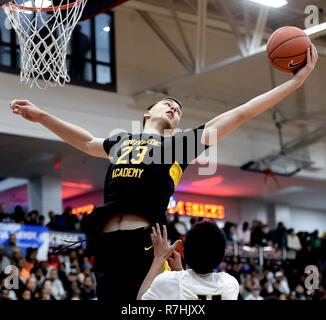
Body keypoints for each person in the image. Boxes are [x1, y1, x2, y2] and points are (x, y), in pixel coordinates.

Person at [9, 44, 318, 300]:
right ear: (147, 112)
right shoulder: (121, 141)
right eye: (168, 103)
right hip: (108, 246)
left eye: (179, 110)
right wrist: (41, 117)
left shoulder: (179, 147)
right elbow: (87, 140)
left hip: (146, 244)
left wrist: (294, 83)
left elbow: (239, 113)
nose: (174, 108)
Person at [137, 222, 239, 300]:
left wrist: (159, 258)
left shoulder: (167, 280)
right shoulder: (231, 283)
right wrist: (179, 270)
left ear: (184, 252)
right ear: (222, 256)